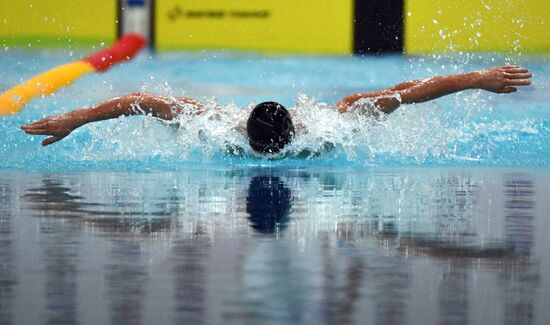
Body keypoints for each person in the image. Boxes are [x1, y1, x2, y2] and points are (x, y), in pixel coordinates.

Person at [21, 65, 531, 153]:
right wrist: (478, 80)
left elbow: (143, 102)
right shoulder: (329, 132)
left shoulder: (218, 131)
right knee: (364, 103)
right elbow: (407, 91)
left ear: (244, 127)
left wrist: (74, 117)